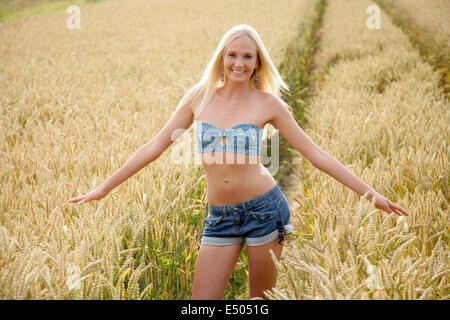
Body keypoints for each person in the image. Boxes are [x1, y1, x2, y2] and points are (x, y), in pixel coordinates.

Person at [68, 24, 410, 300]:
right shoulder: (198, 98)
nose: (239, 63)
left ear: (258, 62)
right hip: (219, 218)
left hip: (266, 211)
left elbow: (316, 154)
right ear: (221, 57)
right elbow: (153, 147)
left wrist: (372, 195)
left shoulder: (268, 105)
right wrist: (102, 189)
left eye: (248, 56)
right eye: (232, 55)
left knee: (259, 302)